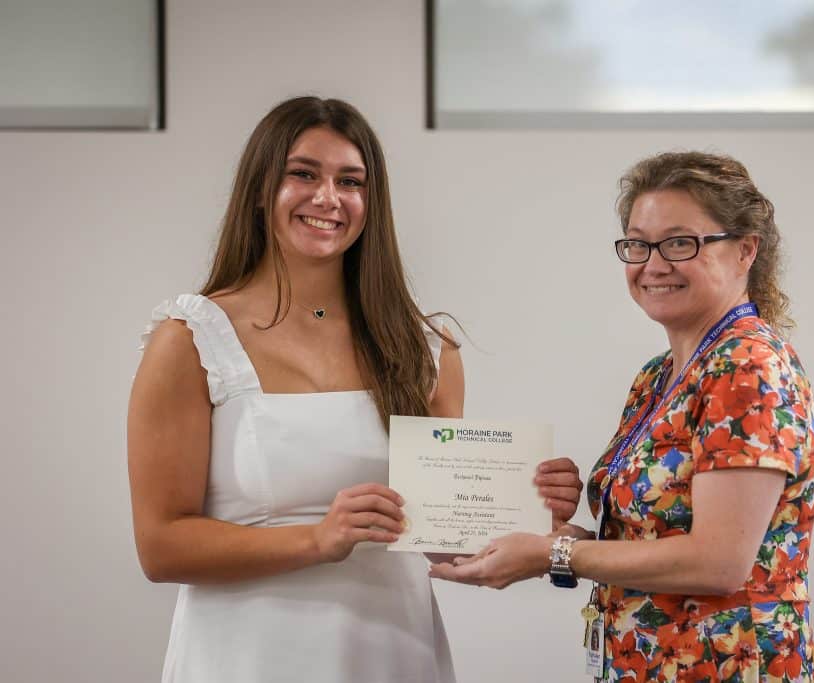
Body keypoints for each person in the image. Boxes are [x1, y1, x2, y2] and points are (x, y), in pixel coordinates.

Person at [127, 96, 581, 683]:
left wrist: (531, 508)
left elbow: (446, 539)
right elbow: (161, 548)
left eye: (350, 181)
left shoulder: (424, 346)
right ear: (261, 189)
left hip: (393, 649)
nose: (328, 198)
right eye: (303, 174)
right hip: (247, 656)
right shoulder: (190, 337)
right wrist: (318, 539)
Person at [431, 151, 814, 682]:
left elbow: (717, 561)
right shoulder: (659, 376)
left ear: (745, 250)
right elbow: (653, 540)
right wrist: (545, 527)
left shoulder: (746, 367)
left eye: (681, 242)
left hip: (729, 668)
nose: (653, 263)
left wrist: (556, 555)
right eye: (638, 244)